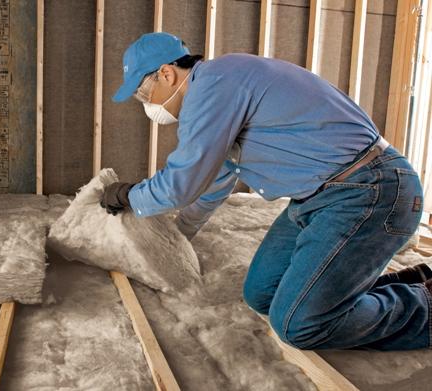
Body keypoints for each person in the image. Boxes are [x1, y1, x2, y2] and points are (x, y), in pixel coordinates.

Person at [100, 32, 431, 351]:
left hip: (370, 191)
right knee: (263, 293)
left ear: (167, 74)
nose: (146, 104)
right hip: (320, 197)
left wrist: (129, 195)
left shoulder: (214, 85)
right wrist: (175, 239)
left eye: (143, 93)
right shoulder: (220, 93)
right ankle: (411, 282)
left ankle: (425, 307)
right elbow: (211, 186)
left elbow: (179, 186)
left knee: (297, 325)